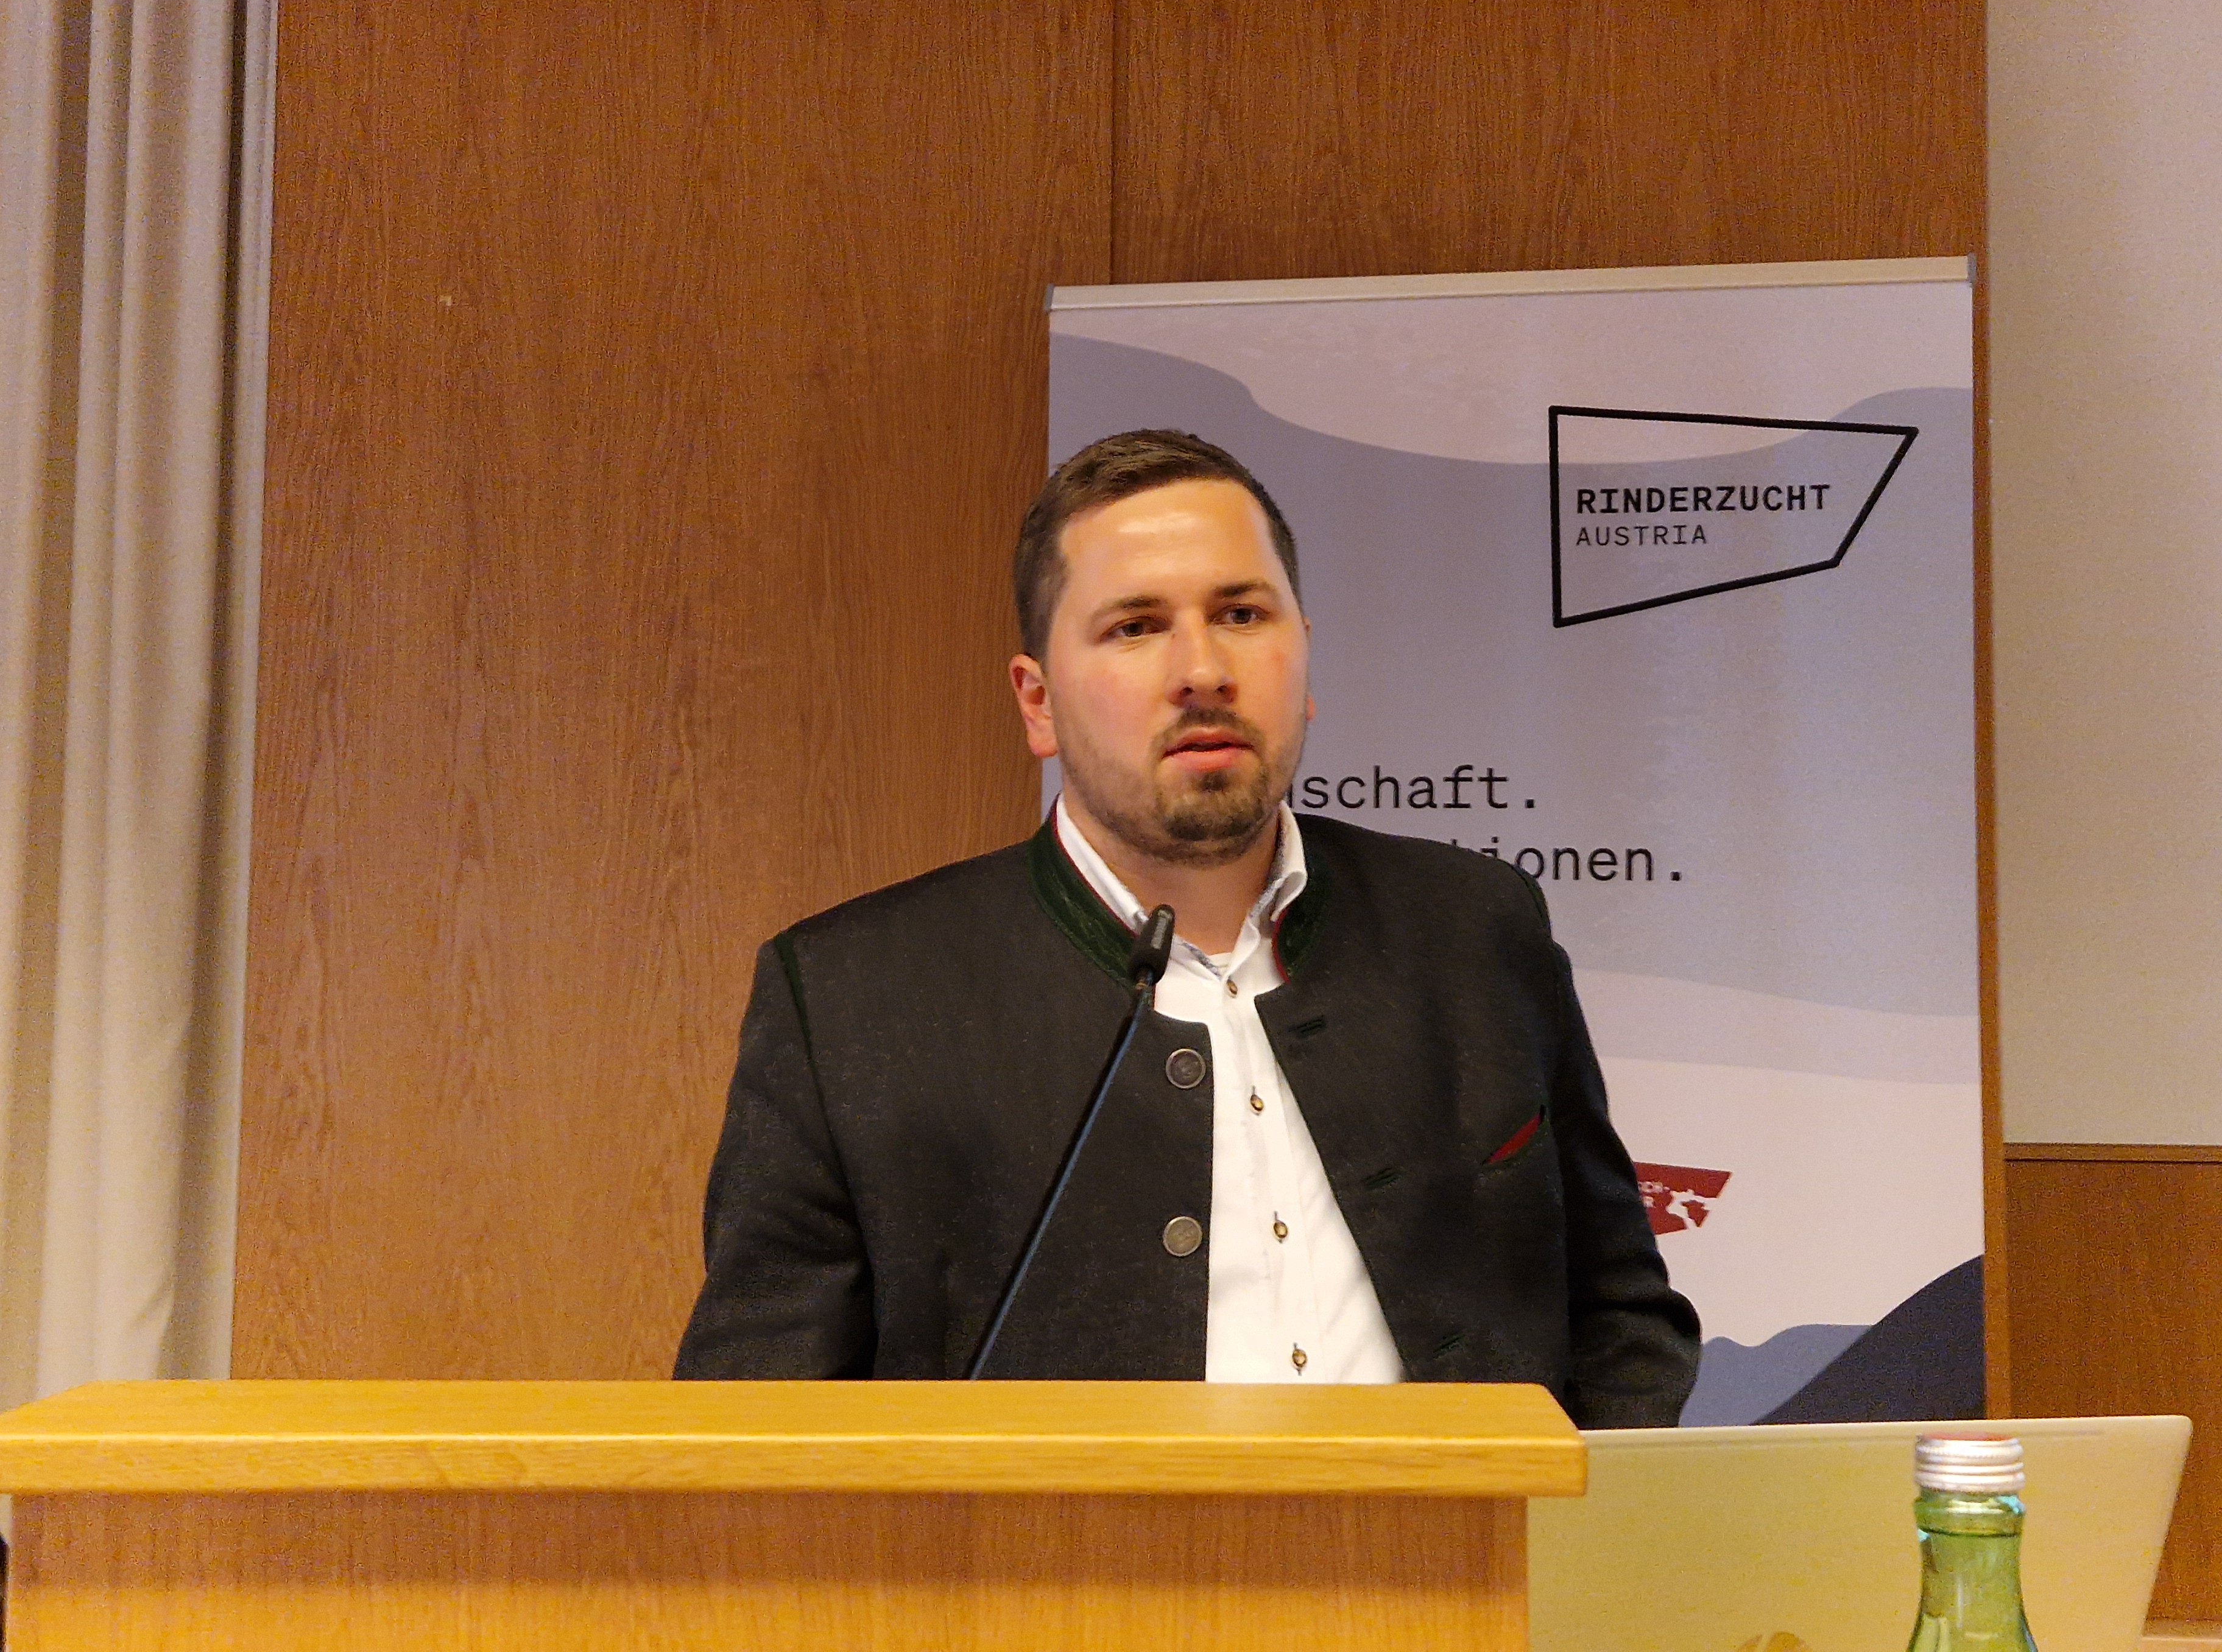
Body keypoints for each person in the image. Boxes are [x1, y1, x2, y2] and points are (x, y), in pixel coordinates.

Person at [674, 429, 1700, 1425]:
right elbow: (756, 1423)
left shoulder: (1476, 930)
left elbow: (1617, 1314)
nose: (1203, 668)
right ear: (1038, 703)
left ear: (1305, 661)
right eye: (1136, 627)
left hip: (1458, 1542)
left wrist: (1581, 1517)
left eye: (1242, 614)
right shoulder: (852, 998)